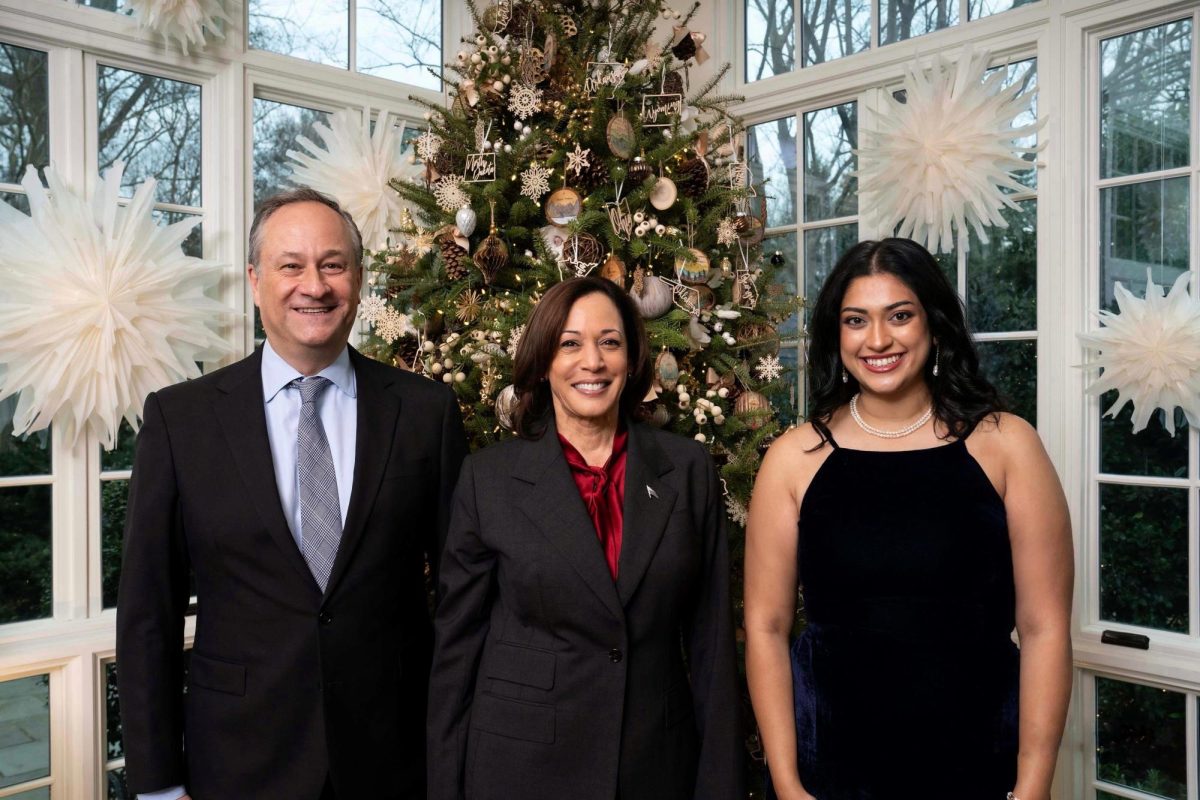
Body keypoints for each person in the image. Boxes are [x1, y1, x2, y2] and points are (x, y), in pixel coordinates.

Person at [116, 188, 468, 800]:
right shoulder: (182, 420)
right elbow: (149, 613)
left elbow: (463, 598)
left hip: (396, 759)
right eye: (291, 265)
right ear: (256, 281)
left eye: (333, 264)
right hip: (238, 759)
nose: (315, 285)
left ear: (356, 280)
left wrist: (456, 755)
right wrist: (156, 784)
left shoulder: (425, 413)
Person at [745, 238, 1072, 800]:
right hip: (835, 772)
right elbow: (766, 628)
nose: (878, 340)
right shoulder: (792, 460)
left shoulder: (1008, 445)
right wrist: (788, 785)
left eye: (899, 315)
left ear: (934, 324)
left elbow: (1045, 628)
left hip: (977, 768)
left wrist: (1035, 785)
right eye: (856, 320)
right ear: (836, 335)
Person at [427, 276, 744, 800]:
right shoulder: (488, 481)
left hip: (654, 766)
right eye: (569, 343)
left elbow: (712, 649)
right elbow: (456, 653)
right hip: (518, 767)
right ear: (544, 360)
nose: (591, 362)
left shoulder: (686, 472)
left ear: (632, 357)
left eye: (610, 342)